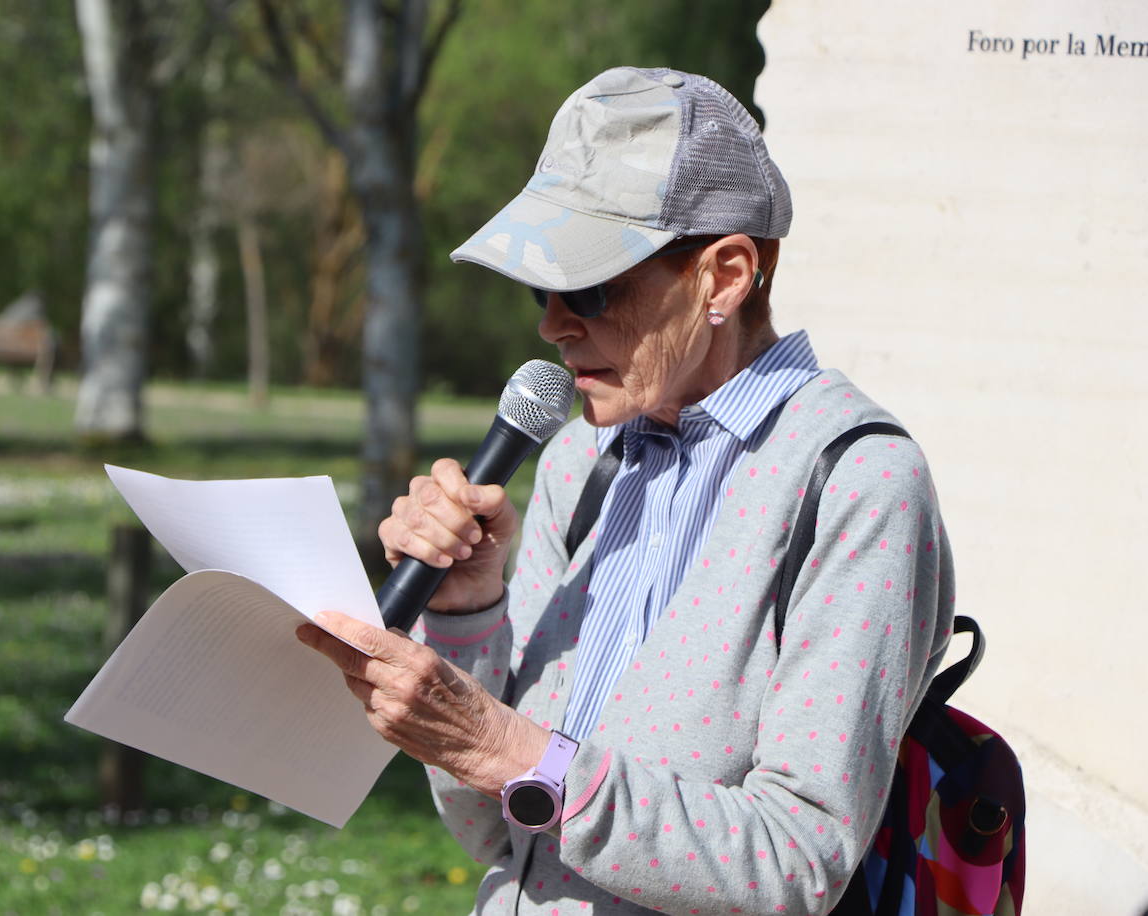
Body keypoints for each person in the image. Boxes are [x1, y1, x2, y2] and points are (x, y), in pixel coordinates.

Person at [297, 67, 954, 915]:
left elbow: (798, 860)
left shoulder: (858, 485)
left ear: (724, 277)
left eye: (590, 287)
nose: (551, 324)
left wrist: (501, 745)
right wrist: (466, 613)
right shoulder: (580, 459)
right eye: (543, 287)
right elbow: (497, 837)